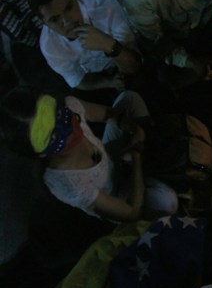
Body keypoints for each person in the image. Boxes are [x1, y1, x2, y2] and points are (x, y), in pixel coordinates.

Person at [0, 87, 178, 222]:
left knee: (129, 98)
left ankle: (153, 158)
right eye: (51, 135)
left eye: (58, 112)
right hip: (116, 194)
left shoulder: (72, 107)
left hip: (110, 157)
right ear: (39, 153)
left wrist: (131, 127)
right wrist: (137, 155)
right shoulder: (68, 183)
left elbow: (109, 114)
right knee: (168, 201)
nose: (69, 127)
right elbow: (131, 211)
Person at [27, 0, 141, 92]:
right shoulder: (49, 46)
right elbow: (76, 79)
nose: (67, 22)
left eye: (69, 8)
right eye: (55, 19)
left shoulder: (105, 8)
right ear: (44, 23)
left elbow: (134, 65)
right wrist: (110, 82)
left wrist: (108, 44)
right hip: (97, 77)